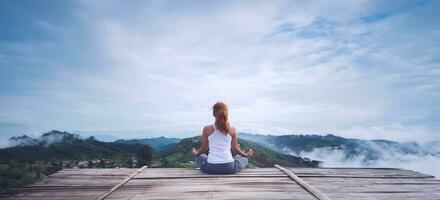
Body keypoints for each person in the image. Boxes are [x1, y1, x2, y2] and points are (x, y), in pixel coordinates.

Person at [191, 102, 253, 174]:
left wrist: (196, 153)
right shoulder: (233, 129)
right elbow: (235, 149)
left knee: (200, 156)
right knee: (243, 158)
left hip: (211, 168)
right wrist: (246, 155)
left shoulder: (206, 129)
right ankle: (240, 158)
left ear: (214, 114)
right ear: (226, 113)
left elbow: (204, 148)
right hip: (229, 168)